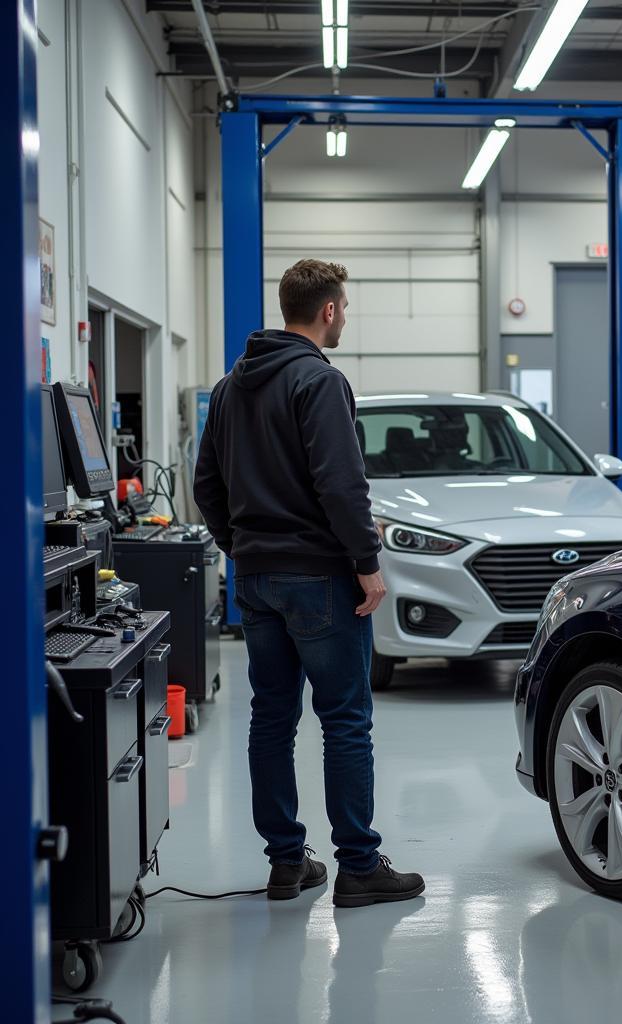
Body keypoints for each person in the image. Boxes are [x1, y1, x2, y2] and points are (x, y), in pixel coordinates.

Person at [193, 259, 424, 908]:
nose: (345, 316)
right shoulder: (319, 381)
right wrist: (366, 562)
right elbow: (341, 485)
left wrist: (242, 548)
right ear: (327, 310)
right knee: (345, 719)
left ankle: (286, 863)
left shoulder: (231, 387)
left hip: (258, 581)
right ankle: (359, 865)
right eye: (344, 307)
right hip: (320, 580)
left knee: (271, 718)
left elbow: (204, 484)